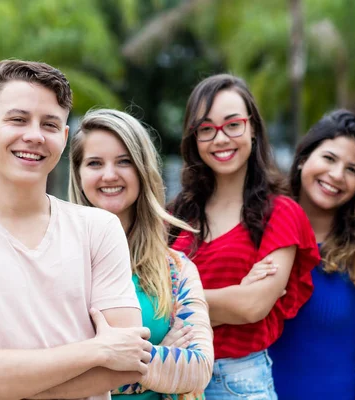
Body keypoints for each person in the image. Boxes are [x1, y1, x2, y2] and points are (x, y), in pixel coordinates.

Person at [0, 60, 153, 400]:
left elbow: (128, 365)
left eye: (50, 124)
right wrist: (97, 350)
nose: (35, 135)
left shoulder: (98, 229)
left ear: (65, 137)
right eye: (18, 119)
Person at [169, 74, 321, 399]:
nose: (220, 138)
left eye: (233, 124)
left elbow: (252, 306)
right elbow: (145, 295)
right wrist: (232, 294)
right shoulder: (176, 215)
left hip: (236, 384)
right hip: (173, 378)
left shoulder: (281, 213)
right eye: (206, 129)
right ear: (194, 138)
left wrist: (175, 302)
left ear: (252, 127)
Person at [68, 108, 214, 400]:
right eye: (95, 163)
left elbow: (198, 368)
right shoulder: (54, 262)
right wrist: (159, 359)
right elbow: (30, 367)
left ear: (142, 170)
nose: (109, 175)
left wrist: (94, 369)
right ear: (79, 174)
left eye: (124, 161)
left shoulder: (176, 269)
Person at [266, 109, 355, 399]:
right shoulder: (262, 229)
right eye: (329, 158)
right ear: (303, 159)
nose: (336, 175)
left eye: (352, 170)